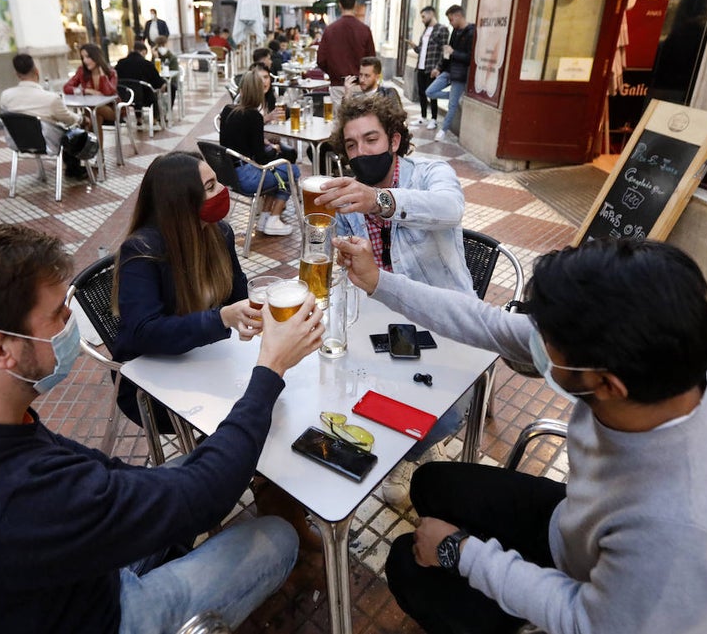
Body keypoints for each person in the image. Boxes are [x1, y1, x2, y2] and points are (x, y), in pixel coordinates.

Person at [0, 223, 323, 633]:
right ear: (0, 350)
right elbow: (204, 496)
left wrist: (182, 495)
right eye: (59, 314)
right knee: (275, 537)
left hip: (41, 581)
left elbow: (102, 474)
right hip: (95, 616)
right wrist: (271, 369)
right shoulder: (17, 494)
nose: (70, 325)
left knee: (192, 468)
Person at [331, 236, 707, 634]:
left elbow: (583, 621)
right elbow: (485, 323)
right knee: (431, 482)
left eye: (547, 345)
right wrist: (378, 281)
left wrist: (460, 553)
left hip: (594, 603)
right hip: (575, 529)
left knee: (407, 565)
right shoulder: (663, 367)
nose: (535, 346)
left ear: (608, 385)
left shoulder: (680, 535)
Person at [110, 151, 320, 552]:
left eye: (217, 181)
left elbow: (239, 294)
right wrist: (221, 318)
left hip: (210, 362)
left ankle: (279, 507)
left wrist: (255, 315)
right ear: (181, 201)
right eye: (210, 186)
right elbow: (142, 333)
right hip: (152, 384)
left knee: (278, 404)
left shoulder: (217, 231)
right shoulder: (143, 252)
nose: (223, 190)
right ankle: (276, 514)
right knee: (264, 414)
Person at [314, 92, 473, 505]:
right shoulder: (349, 198)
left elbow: (451, 208)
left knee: (449, 416)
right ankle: (405, 441)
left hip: (443, 321)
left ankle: (410, 451)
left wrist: (380, 201)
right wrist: (328, 241)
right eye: (352, 145)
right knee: (335, 386)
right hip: (380, 319)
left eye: (371, 140)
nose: (361, 153)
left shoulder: (430, 173)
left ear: (395, 140)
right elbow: (339, 266)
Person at [219, 70, 301, 237]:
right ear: (258, 93)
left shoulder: (227, 110)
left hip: (229, 173)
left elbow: (234, 139)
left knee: (277, 172)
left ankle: (265, 217)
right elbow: (262, 159)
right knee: (291, 170)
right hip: (247, 177)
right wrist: (275, 150)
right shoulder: (254, 116)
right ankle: (274, 218)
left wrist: (261, 143)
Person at [0, 53, 89, 179]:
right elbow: (68, 119)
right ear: (37, 71)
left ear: (17, 75)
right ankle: (74, 169)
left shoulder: (5, 96)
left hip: (18, 141)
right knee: (73, 131)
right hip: (47, 142)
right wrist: (82, 119)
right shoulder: (51, 98)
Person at [316, 0, 375, 108]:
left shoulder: (330, 30)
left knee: (339, 118)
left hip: (338, 84)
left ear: (340, 5)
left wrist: (333, 73)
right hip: (360, 84)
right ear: (355, 4)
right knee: (360, 118)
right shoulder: (364, 30)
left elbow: (321, 60)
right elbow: (372, 60)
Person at [425, 5, 474, 141]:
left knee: (452, 105)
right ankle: (455, 96)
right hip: (448, 71)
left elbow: (470, 58)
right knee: (430, 92)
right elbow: (447, 53)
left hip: (460, 74)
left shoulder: (471, 32)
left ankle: (443, 130)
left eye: (451, 19)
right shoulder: (455, 31)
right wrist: (439, 68)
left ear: (458, 16)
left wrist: (454, 52)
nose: (450, 23)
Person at [64, 42, 118, 148]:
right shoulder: (82, 71)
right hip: (93, 111)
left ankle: (86, 133)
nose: (85, 61)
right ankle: (99, 155)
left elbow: (109, 93)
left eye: (88, 57)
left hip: (112, 110)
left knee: (94, 111)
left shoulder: (111, 72)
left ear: (96, 57)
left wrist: (103, 76)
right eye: (83, 57)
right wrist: (86, 91)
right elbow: (67, 88)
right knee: (95, 114)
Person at [407, 6, 449, 130]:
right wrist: (414, 46)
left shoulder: (442, 29)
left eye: (423, 16)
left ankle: (434, 119)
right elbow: (422, 50)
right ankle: (423, 117)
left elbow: (445, 51)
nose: (422, 19)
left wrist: (439, 68)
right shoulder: (425, 31)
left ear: (431, 14)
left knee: (432, 94)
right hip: (421, 67)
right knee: (421, 93)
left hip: (432, 69)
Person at [115, 40, 169, 127]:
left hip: (124, 96)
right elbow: (157, 82)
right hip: (144, 97)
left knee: (137, 90)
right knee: (153, 93)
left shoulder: (120, 63)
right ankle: (155, 119)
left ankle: (139, 119)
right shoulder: (146, 64)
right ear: (143, 52)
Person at [152, 34, 180, 106]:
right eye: (159, 45)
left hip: (170, 81)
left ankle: (169, 109)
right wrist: (156, 58)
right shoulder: (155, 56)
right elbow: (152, 71)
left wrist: (165, 83)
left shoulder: (172, 57)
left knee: (172, 88)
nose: (161, 47)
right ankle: (156, 110)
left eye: (163, 45)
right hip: (158, 82)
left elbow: (174, 74)